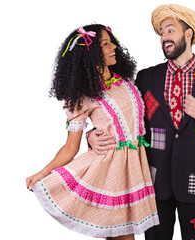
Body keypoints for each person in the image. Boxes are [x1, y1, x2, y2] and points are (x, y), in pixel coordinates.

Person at [88, 4, 195, 240]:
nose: (164, 37)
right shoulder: (146, 77)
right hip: (154, 181)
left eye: (170, 30)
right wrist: (92, 134)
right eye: (161, 33)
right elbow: (125, 116)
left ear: (188, 34)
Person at [26, 24, 159, 240]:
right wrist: (43, 173)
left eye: (111, 41)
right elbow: (71, 146)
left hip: (135, 167)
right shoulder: (81, 96)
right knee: (124, 237)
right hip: (111, 172)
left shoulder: (125, 82)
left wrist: (94, 135)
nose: (113, 46)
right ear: (90, 54)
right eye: (105, 44)